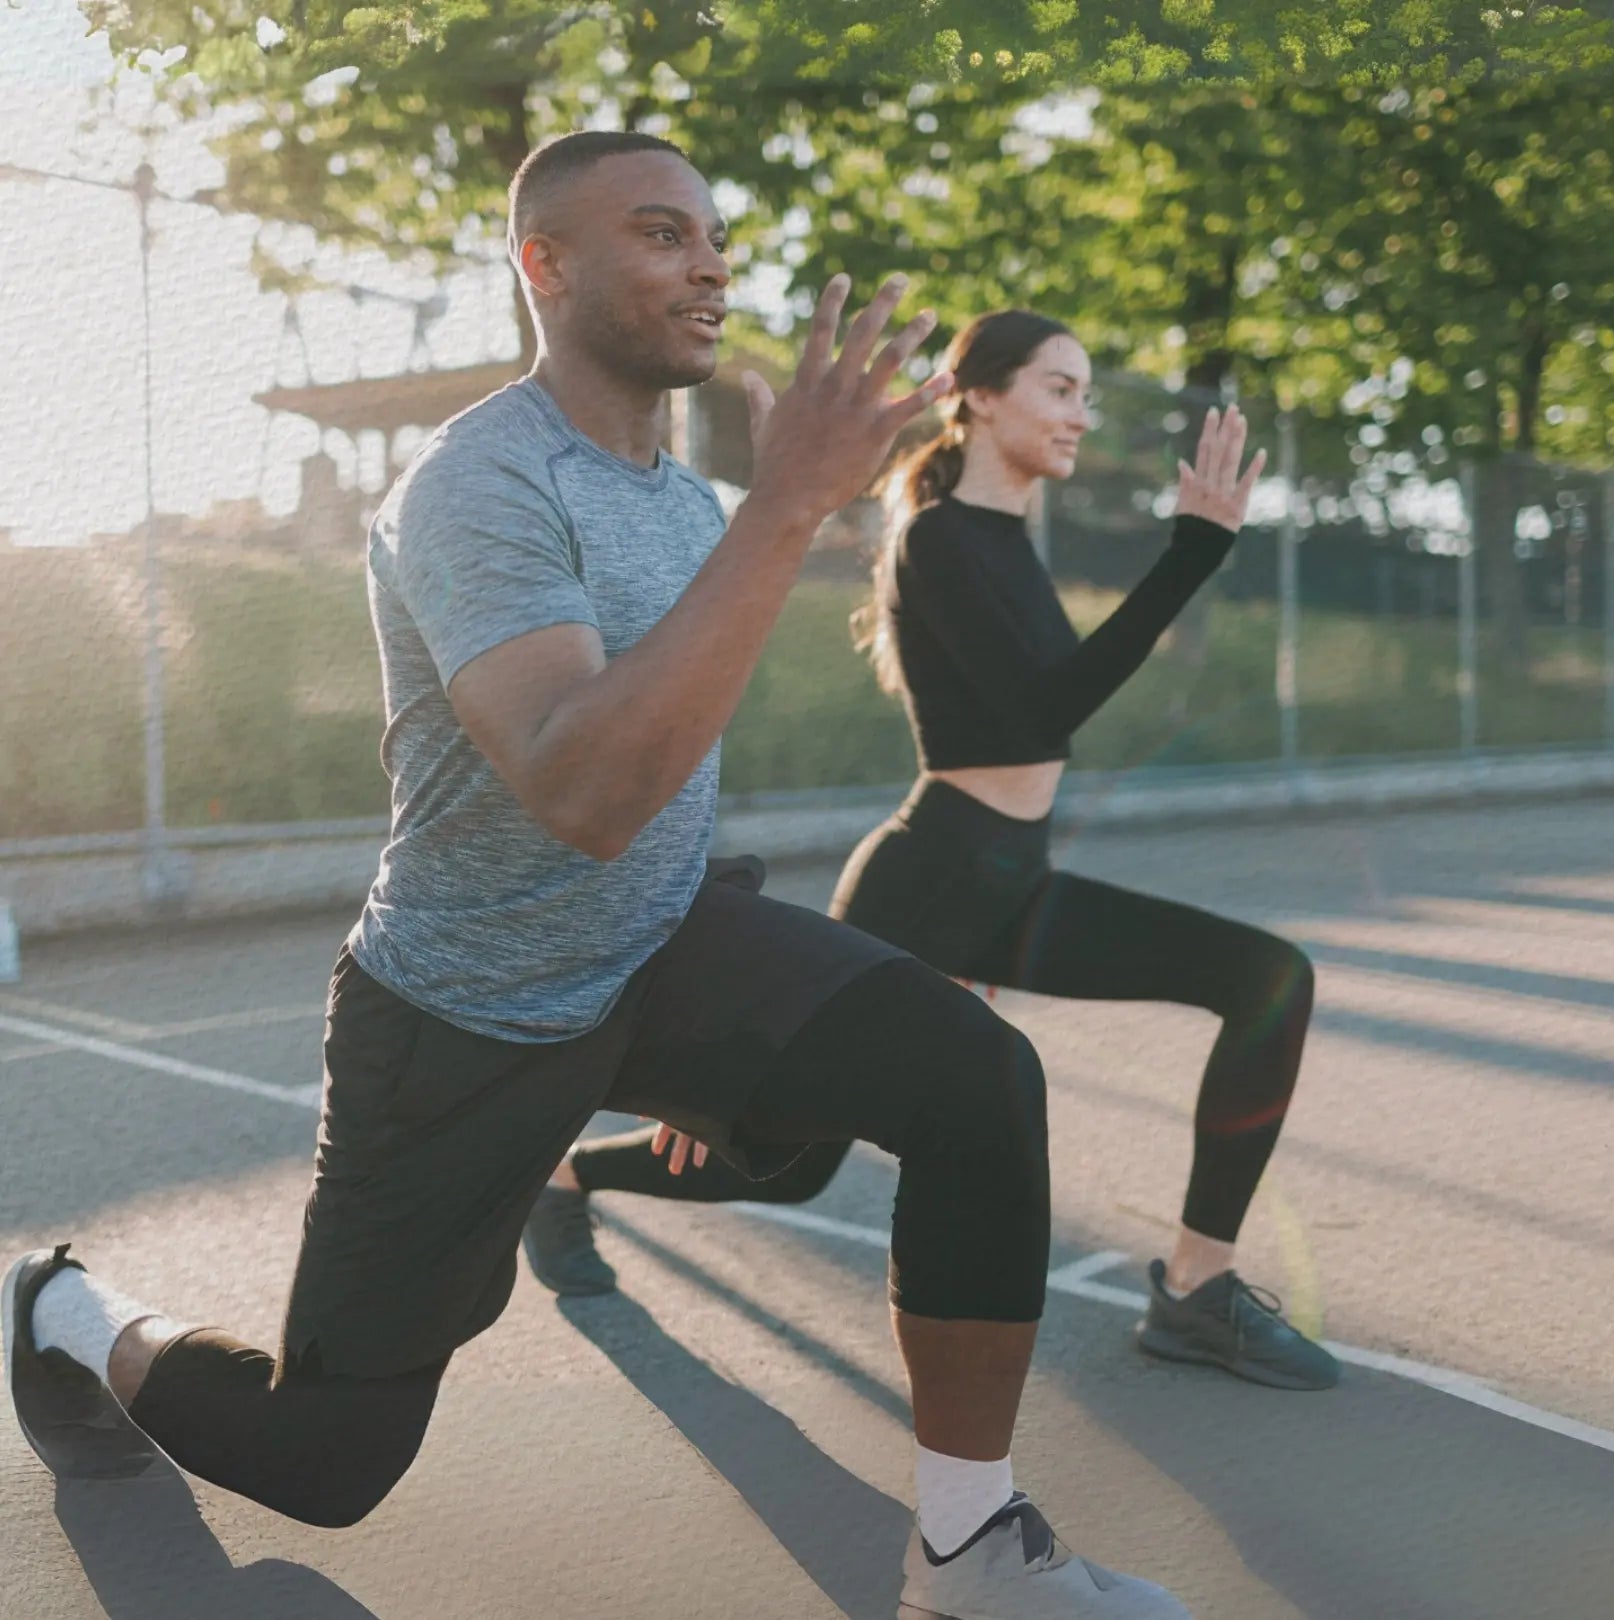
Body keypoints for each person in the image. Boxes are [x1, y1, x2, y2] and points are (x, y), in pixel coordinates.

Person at [4, 136, 1193, 1619]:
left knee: (976, 1079)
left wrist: (716, 1040)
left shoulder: (686, 507)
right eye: (657, 232)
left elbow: (676, 780)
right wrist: (790, 508)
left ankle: (968, 1548)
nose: (708, 261)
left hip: (657, 950)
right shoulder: (476, 486)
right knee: (326, 1463)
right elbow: (581, 789)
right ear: (543, 266)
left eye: (712, 230)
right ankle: (65, 1312)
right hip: (464, 1014)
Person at [530, 309, 1340, 1395]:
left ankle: (1196, 1289)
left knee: (1268, 978)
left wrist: (1191, 552)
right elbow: (1048, 708)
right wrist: (1192, 550)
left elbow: (1043, 710)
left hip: (1016, 884)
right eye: (1059, 387)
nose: (1079, 414)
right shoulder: (941, 539)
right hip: (929, 886)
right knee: (786, 1162)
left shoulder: (1003, 543)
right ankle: (567, 1177)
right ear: (981, 395)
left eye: (1086, 392)